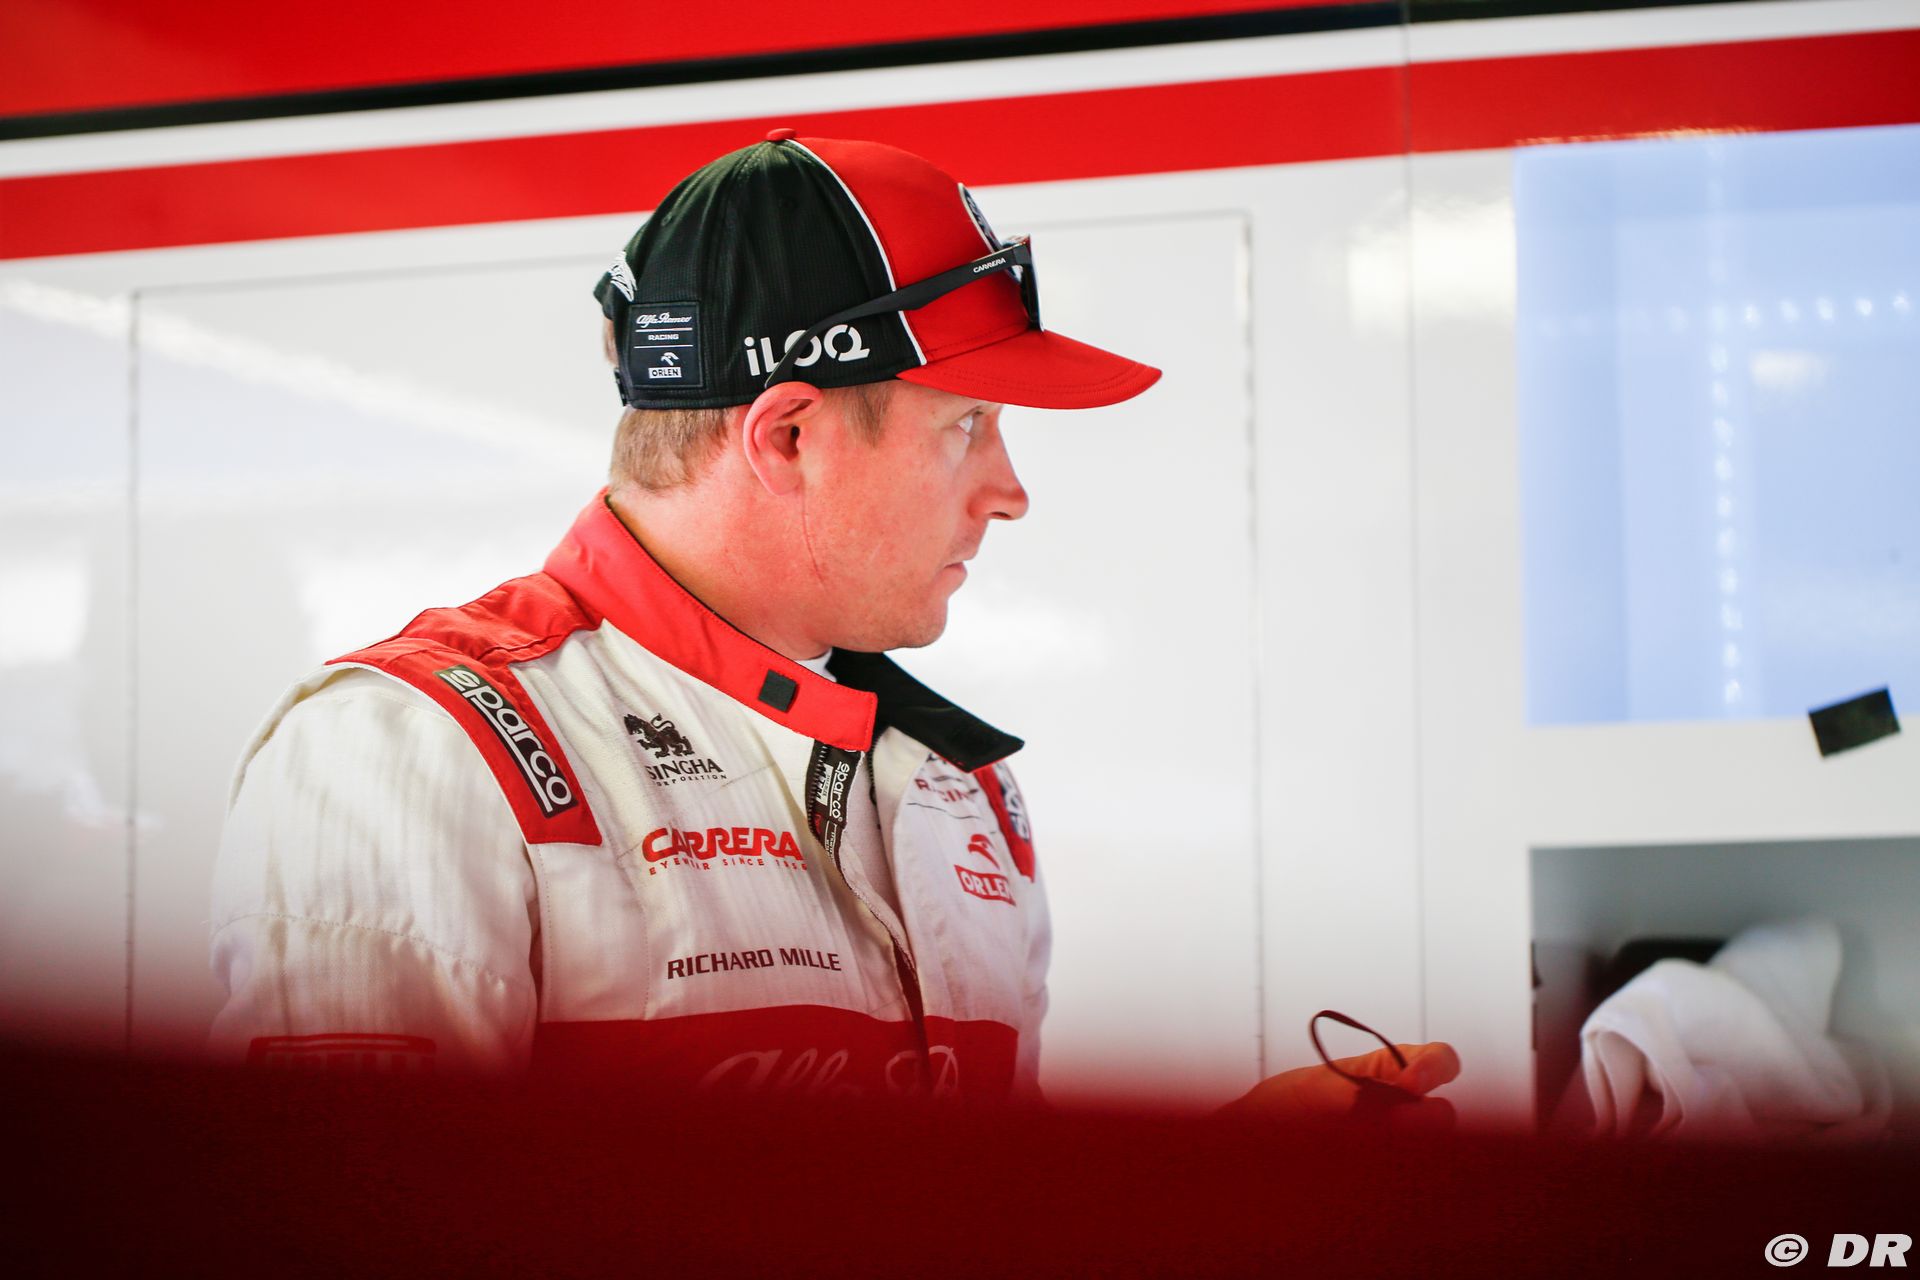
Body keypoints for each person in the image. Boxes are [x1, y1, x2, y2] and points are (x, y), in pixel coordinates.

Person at [208, 130, 1457, 1117]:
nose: (1010, 489)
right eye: (967, 423)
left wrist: (1207, 1199)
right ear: (790, 434)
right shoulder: (415, 752)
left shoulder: (960, 786)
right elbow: (359, 1229)